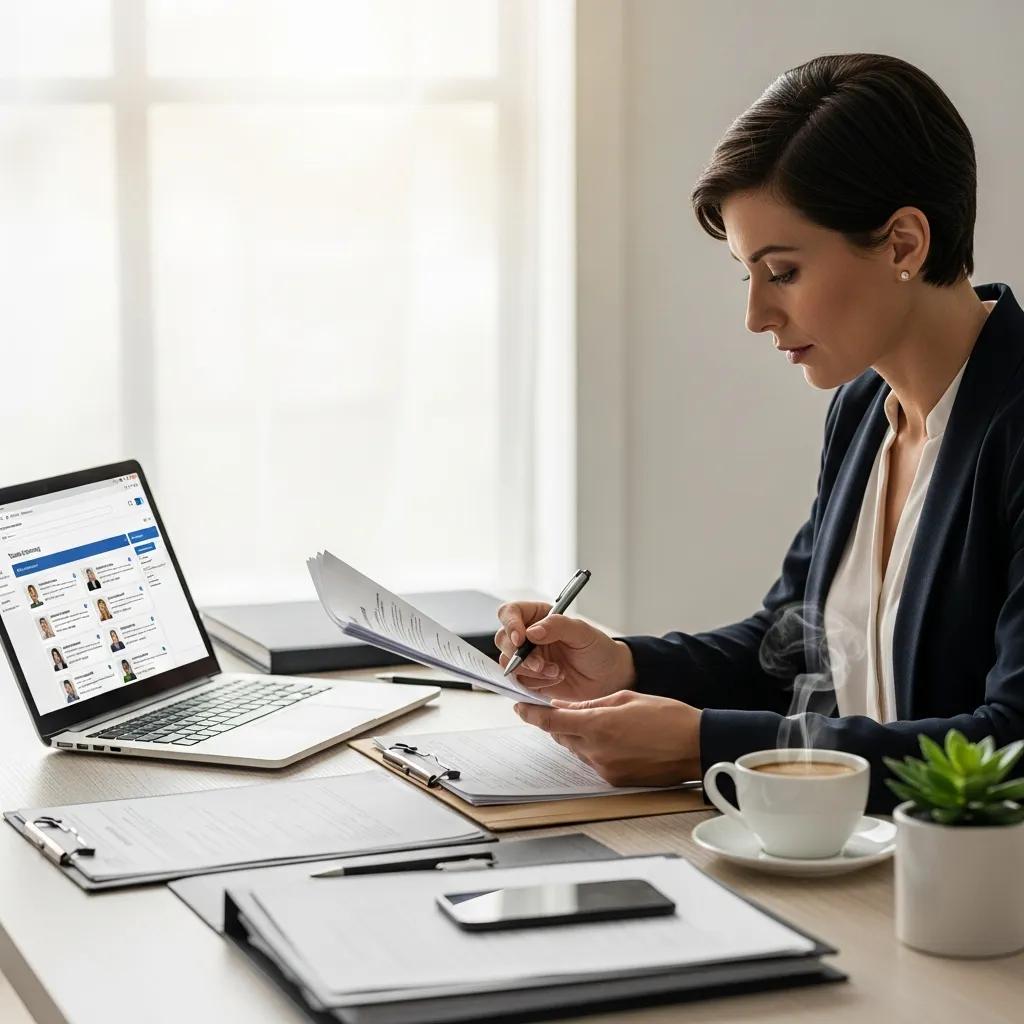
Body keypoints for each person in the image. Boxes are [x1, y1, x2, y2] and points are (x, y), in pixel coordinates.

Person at [502, 53, 1024, 813]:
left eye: (781, 272)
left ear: (905, 244)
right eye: (747, 275)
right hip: (857, 865)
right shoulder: (863, 412)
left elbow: (1010, 747)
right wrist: (620, 664)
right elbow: (792, 647)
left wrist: (712, 746)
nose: (756, 316)